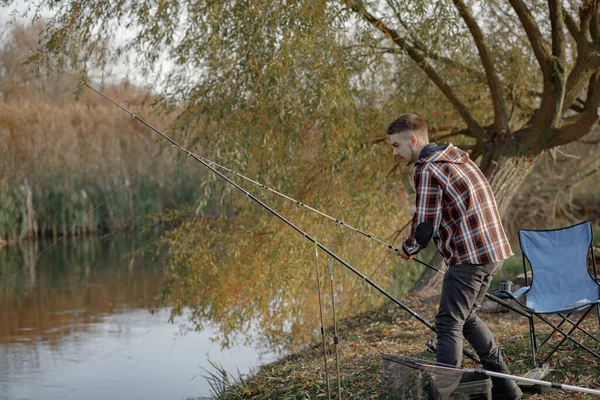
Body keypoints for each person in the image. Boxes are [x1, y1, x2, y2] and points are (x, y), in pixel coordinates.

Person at [387, 114, 522, 400]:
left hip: (470, 256)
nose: (395, 153)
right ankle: (507, 388)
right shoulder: (456, 157)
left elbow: (425, 226)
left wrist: (408, 248)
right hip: (491, 252)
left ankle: (442, 395)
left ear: (413, 139)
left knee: (448, 323)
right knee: (467, 317)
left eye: (397, 145)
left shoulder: (426, 169)